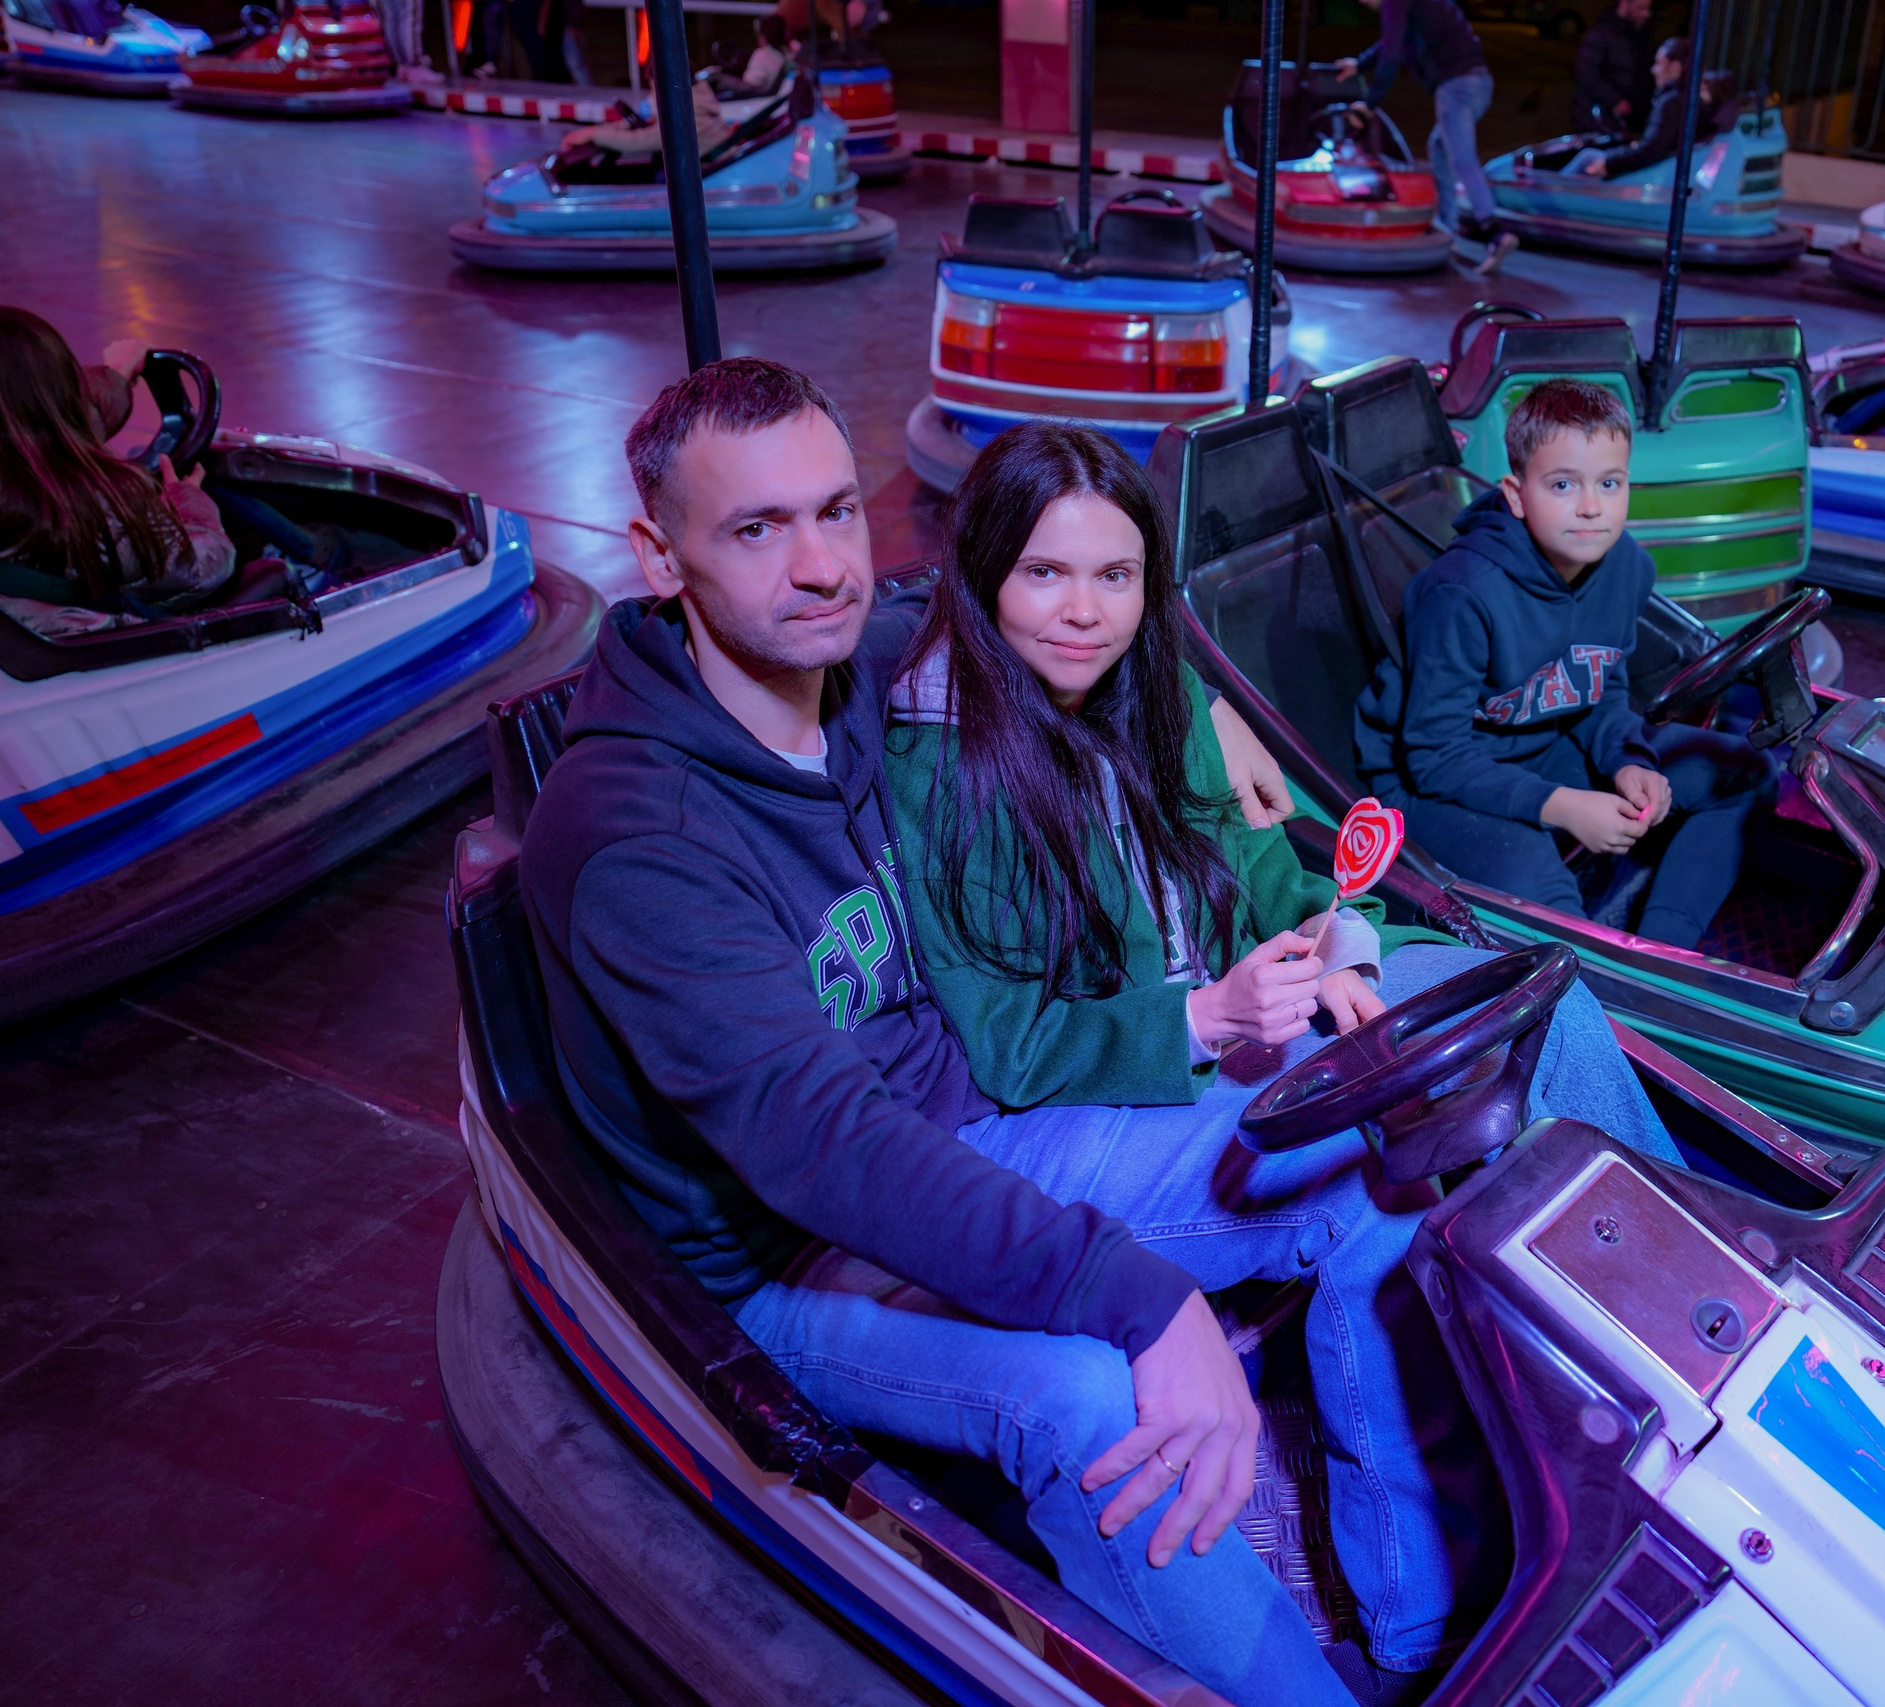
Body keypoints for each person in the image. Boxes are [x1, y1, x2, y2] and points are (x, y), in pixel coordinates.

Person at [519, 362, 1656, 1707]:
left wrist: (1206, 703)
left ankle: (1412, 1633)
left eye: (836, 510)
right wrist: (1135, 1294)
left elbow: (1061, 611)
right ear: (658, 553)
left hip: (985, 1138)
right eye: (756, 528)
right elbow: (822, 1149)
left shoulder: (853, 655)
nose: (819, 564)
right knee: (1089, 1401)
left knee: (1380, 1163)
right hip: (789, 1260)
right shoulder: (638, 838)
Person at [876, 420, 1689, 1703]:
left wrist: (1330, 953)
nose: (1085, 614)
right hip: (1067, 1099)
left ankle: (1675, 1341)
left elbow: (1250, 867)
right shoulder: (944, 752)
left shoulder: (1147, 694)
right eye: (1045, 576)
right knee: (1370, 1187)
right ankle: (1414, 1628)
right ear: (981, 577)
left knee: (1542, 1006)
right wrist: (1205, 1023)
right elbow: (1012, 1044)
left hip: (1211, 1028)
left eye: (1115, 577)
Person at [1353, 379, 1773, 954]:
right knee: (1547, 903)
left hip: (1541, 742)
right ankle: (1613, 1000)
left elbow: (1600, 687)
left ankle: (1664, 955)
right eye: (1562, 485)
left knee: (1743, 773)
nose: (1591, 507)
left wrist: (1628, 760)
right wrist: (1564, 807)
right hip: (1426, 784)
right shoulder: (1462, 593)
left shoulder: (1626, 566)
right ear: (1516, 494)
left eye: (1609, 483)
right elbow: (1432, 758)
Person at [0, 308, 234, 640]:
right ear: (63, 388)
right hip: (95, 644)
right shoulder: (95, 507)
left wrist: (115, 377)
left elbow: (53, 420)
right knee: (267, 563)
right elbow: (198, 569)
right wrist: (191, 504)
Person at [1332, 0, 1515, 267]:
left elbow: (1392, 52)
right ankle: (1446, 228)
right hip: (1478, 81)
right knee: (1440, 148)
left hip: (1456, 85)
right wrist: (1360, 64)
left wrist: (1369, 103)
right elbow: (1395, 42)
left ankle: (1495, 232)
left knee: (1461, 156)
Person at [1566, 37, 1732, 179]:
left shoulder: (1672, 102)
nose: (1653, 70)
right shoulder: (1686, 99)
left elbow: (1650, 152)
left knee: (1587, 158)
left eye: (1658, 64)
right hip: (1661, 169)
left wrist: (1610, 163)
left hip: (1653, 174)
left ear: (1674, 67)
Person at [562, 76, 733, 157]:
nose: (652, 96)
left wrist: (593, 134)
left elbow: (637, 141)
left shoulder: (686, 113)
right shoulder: (697, 99)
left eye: (653, 89)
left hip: (712, 176)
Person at [1572, 0, 1651, 135]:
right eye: (1640, 8)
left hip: (1626, 123)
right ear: (1625, 3)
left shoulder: (1639, 37)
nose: (1646, 14)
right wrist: (1614, 100)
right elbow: (1586, 74)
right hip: (1598, 122)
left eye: (1648, 9)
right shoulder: (1599, 35)